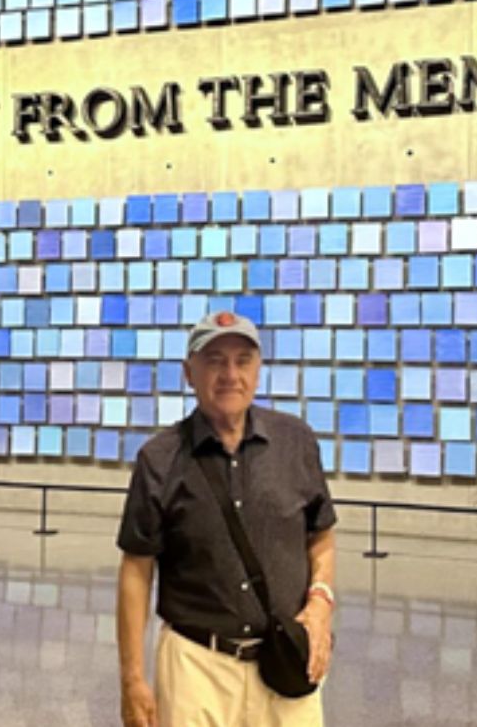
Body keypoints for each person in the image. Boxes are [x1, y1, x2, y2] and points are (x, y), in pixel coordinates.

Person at [117, 311, 338, 727]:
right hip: (195, 668)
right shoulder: (159, 459)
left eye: (242, 360)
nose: (229, 374)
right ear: (189, 373)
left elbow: (321, 536)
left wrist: (321, 601)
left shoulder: (296, 441)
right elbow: (136, 570)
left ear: (258, 370)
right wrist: (132, 679)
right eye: (214, 360)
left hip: (285, 665)